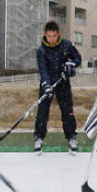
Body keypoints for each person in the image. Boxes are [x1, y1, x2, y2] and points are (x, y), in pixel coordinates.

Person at [34, 21, 82, 154]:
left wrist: (70, 64)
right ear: (45, 35)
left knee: (68, 111)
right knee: (42, 112)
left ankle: (71, 137)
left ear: (58, 34)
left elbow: (78, 58)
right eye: (49, 36)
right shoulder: (41, 51)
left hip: (63, 83)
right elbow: (43, 70)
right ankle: (38, 137)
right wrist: (46, 86)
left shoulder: (66, 45)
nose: (52, 39)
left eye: (54, 36)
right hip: (48, 84)